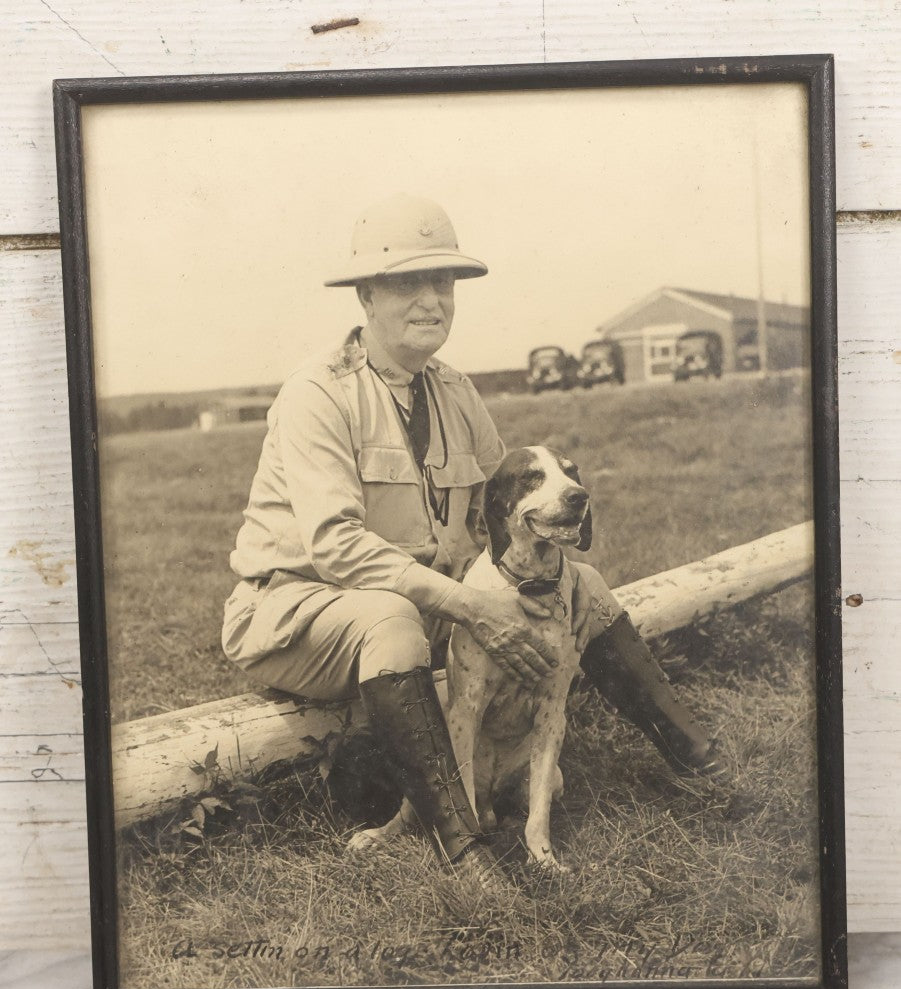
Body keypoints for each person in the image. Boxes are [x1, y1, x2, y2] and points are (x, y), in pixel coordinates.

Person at [222, 193, 725, 892]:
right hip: (297, 609)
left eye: (444, 282)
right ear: (366, 294)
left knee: (587, 582)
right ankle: (459, 845)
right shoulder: (319, 393)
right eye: (408, 282)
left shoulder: (454, 392)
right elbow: (336, 548)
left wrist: (534, 586)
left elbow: (504, 512)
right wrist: (469, 603)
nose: (431, 299)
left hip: (421, 603)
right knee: (390, 619)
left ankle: (691, 746)